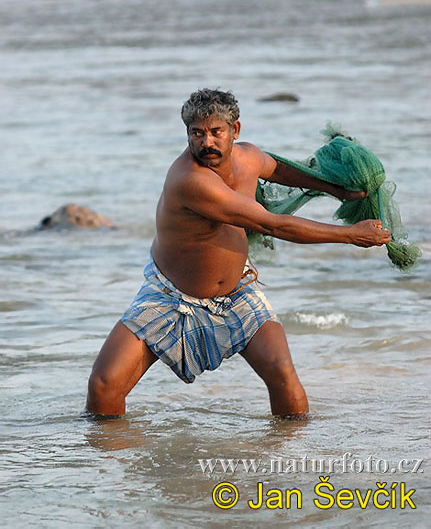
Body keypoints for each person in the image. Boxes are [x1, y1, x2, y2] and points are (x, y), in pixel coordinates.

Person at [86, 88, 390, 418]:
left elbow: (281, 170)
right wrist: (349, 235)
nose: (207, 143)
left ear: (235, 130)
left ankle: (291, 458)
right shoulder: (190, 181)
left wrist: (336, 190)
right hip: (170, 296)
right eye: (197, 133)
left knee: (282, 374)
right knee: (104, 384)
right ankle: (109, 461)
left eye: (216, 132)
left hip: (238, 292)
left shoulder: (249, 157)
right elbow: (275, 226)